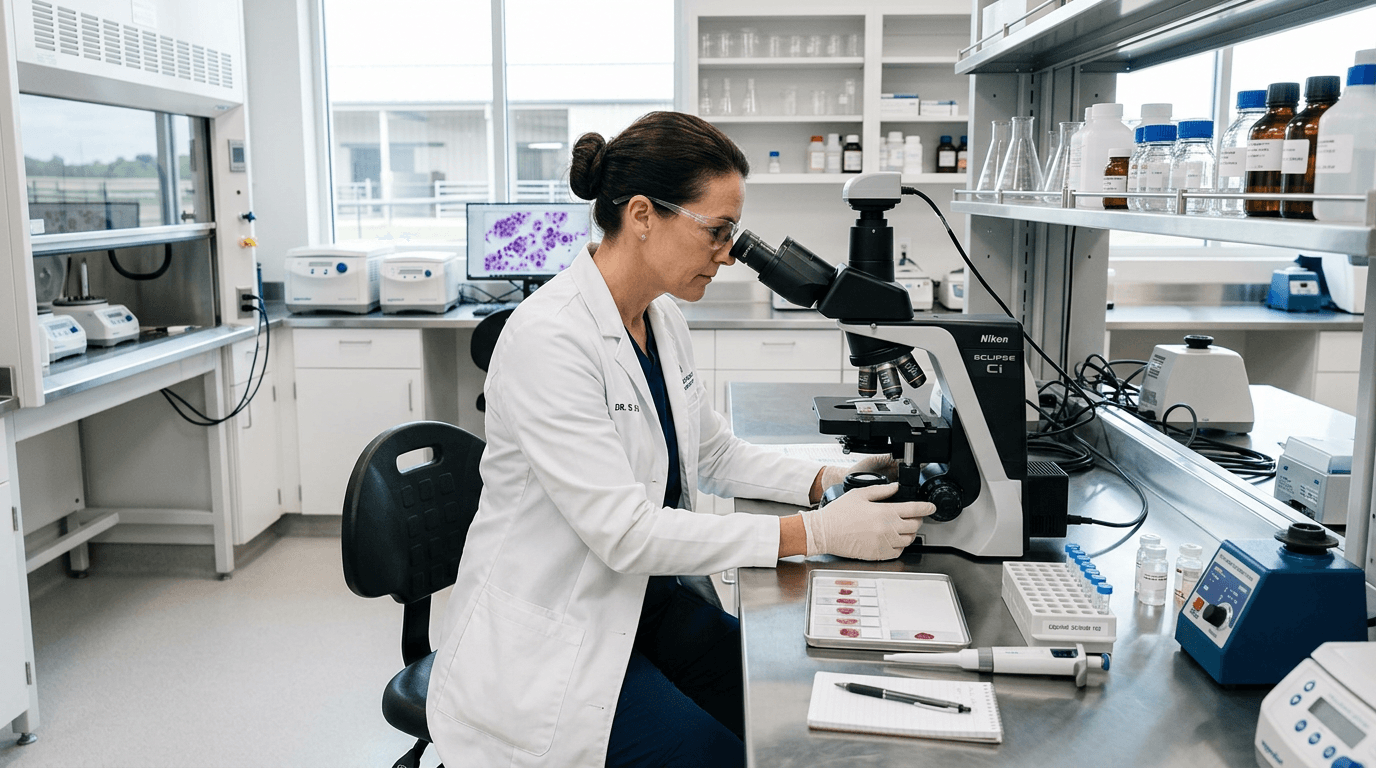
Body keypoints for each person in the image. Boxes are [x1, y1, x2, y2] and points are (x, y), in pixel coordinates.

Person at [426, 111, 935, 768]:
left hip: (643, 605)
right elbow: (626, 533)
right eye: (718, 231)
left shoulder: (660, 317)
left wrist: (825, 484)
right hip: (552, 642)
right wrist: (813, 534)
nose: (728, 254)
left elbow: (714, 453)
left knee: (784, 713)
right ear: (642, 215)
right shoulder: (548, 339)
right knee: (718, 757)